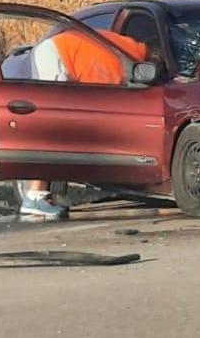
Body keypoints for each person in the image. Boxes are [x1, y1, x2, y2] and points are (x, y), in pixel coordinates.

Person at [18, 26, 150, 221]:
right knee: (54, 130)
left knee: (55, 128)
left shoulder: (124, 48)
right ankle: (34, 198)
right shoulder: (122, 66)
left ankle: (40, 196)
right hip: (57, 55)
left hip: (55, 50)